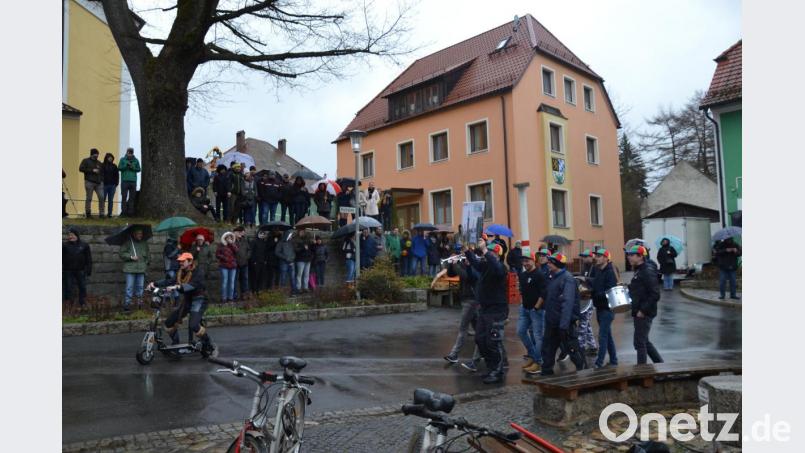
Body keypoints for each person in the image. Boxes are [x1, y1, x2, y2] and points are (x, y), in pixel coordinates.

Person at [146, 253, 217, 356]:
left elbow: (193, 285)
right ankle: (175, 344)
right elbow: (170, 281)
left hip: (199, 299)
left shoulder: (198, 272)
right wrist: (155, 283)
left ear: (190, 261)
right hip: (187, 300)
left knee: (193, 325)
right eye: (180, 261)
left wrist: (178, 287)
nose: (180, 263)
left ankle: (208, 343)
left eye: (183, 261)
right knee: (168, 323)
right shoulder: (180, 272)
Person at [465, 239, 509, 384]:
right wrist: (467, 251)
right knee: (480, 339)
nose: (487, 254)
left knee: (493, 342)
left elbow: (496, 268)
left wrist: (485, 251)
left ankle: (498, 371)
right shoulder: (486, 266)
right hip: (485, 309)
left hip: (497, 310)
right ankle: (491, 368)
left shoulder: (501, 268)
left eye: (491, 252)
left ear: (497, 255)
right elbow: (476, 264)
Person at [540, 252, 587, 375]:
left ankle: (582, 371)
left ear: (557, 264)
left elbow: (568, 302)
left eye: (550, 262)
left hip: (564, 323)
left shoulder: (567, 279)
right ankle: (546, 371)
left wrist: (564, 324)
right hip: (552, 321)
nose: (548, 264)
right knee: (548, 348)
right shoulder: (552, 276)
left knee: (572, 348)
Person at [444, 244, 483, 369]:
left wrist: (455, 264)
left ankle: (454, 354)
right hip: (468, 299)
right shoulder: (464, 263)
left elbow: (467, 276)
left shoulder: (476, 265)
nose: (462, 254)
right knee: (479, 331)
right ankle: (483, 353)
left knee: (463, 328)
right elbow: (451, 274)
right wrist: (450, 263)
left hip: (471, 300)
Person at [626, 245, 664, 364]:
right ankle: (660, 365)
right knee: (644, 341)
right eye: (628, 255)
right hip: (639, 310)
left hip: (644, 312)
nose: (629, 257)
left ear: (641, 256)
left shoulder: (647, 271)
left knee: (640, 342)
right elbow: (640, 289)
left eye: (632, 255)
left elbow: (655, 294)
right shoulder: (640, 269)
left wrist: (643, 310)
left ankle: (642, 372)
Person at [517, 252, 547, 374]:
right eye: (523, 261)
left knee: (538, 336)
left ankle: (538, 362)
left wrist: (536, 307)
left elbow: (543, 293)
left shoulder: (540, 274)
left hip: (536, 310)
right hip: (524, 309)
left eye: (527, 261)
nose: (525, 264)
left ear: (534, 261)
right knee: (520, 331)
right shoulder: (523, 275)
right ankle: (534, 356)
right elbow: (522, 291)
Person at [591, 249, 618, 368]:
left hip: (608, 309)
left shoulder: (610, 272)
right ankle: (613, 361)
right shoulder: (598, 270)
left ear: (606, 258)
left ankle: (599, 363)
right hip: (600, 307)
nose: (597, 258)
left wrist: (595, 294)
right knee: (608, 336)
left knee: (602, 336)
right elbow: (595, 285)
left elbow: (609, 291)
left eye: (600, 256)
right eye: (596, 256)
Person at [118, 227, 150, 312]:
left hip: (141, 268)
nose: (140, 235)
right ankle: (127, 304)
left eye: (141, 234)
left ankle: (139, 303)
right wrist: (131, 257)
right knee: (129, 287)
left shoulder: (144, 243)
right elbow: (121, 254)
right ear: (134, 234)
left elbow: (148, 254)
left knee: (140, 287)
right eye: (139, 234)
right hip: (130, 269)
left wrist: (146, 262)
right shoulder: (128, 243)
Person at [63, 228, 92, 308]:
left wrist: (89, 269)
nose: (70, 237)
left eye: (72, 235)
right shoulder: (64, 245)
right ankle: (70, 304)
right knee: (68, 287)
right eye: (69, 235)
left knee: (82, 286)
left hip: (81, 270)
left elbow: (88, 258)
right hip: (68, 270)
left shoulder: (84, 245)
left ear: (76, 235)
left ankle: (82, 302)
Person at [577, 249, 598, 355]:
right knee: (586, 323)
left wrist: (585, 279)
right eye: (583, 257)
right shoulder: (584, 267)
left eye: (586, 257)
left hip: (590, 298)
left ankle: (580, 346)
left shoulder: (595, 267)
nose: (584, 258)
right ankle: (592, 346)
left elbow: (596, 281)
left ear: (591, 257)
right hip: (584, 296)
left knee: (583, 323)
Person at [78, 148, 103, 218]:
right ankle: (88, 213)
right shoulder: (85, 161)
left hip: (98, 183)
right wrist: (92, 170)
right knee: (89, 198)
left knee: (101, 197)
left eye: (97, 154)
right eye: (95, 154)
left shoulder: (99, 162)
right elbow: (80, 169)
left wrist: (101, 180)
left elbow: (102, 172)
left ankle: (101, 213)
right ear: (92, 154)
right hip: (89, 182)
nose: (97, 156)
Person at [215, 232, 238, 303]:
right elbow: (217, 254)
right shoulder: (221, 245)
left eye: (230, 237)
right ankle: (224, 298)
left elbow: (237, 251)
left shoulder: (233, 244)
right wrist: (224, 257)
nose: (229, 239)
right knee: (224, 282)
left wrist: (231, 244)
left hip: (233, 266)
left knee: (231, 283)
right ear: (225, 238)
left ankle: (230, 298)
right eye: (227, 238)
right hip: (224, 266)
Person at [118, 148, 140, 217]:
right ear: (126, 153)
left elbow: (139, 169)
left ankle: (131, 213)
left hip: (133, 181)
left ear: (133, 153)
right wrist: (125, 166)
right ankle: (123, 213)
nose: (130, 154)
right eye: (129, 153)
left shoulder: (136, 160)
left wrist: (132, 167)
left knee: (132, 198)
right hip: (124, 181)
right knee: (124, 197)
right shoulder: (122, 159)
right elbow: (119, 168)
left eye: (131, 153)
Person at [249, 229, 270, 296]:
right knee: (255, 277)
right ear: (258, 234)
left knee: (261, 277)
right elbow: (251, 252)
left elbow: (266, 253)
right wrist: (253, 261)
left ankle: (259, 290)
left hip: (262, 262)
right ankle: (254, 290)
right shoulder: (253, 241)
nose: (262, 235)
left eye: (263, 234)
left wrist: (265, 260)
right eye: (261, 233)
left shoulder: (264, 242)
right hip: (255, 262)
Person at [233, 226, 251, 300]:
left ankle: (245, 294)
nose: (241, 233)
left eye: (242, 232)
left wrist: (247, 257)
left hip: (244, 263)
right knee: (235, 280)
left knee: (245, 279)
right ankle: (235, 295)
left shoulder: (244, 240)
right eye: (239, 232)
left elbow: (249, 250)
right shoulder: (233, 241)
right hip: (236, 264)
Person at [293, 229, 314, 293]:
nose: (302, 232)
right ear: (298, 232)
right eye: (301, 231)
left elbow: (311, 248)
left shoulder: (307, 239)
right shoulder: (296, 239)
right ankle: (298, 288)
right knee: (299, 274)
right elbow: (296, 250)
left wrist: (313, 242)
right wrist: (303, 248)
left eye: (303, 231)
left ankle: (305, 287)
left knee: (306, 274)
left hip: (308, 259)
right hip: (300, 259)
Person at [163, 232, 181, 300]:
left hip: (176, 267)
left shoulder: (176, 245)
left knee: (175, 283)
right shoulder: (168, 245)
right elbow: (170, 255)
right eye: (178, 236)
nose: (179, 238)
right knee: (170, 283)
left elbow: (178, 256)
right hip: (170, 268)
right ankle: (167, 300)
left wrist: (179, 254)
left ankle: (176, 299)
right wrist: (177, 249)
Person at [101, 153, 119, 218]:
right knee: (103, 199)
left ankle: (110, 213)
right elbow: (101, 174)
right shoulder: (102, 165)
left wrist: (116, 183)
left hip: (112, 185)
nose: (110, 158)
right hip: (104, 185)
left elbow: (117, 175)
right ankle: (102, 213)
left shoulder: (114, 166)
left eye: (111, 157)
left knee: (110, 200)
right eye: (109, 157)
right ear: (106, 158)